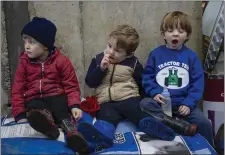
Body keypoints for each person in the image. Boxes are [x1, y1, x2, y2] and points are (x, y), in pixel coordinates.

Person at [77, 24, 177, 151]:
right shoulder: (98, 59)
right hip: (106, 101)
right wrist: (100, 69)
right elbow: (90, 82)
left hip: (129, 97)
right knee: (105, 119)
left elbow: (143, 83)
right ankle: (102, 137)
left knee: (137, 113)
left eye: (117, 51)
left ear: (129, 54)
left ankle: (156, 127)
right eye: (109, 46)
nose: (111, 52)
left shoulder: (133, 63)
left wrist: (146, 98)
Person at [11, 17, 90, 154]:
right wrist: (19, 113)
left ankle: (72, 134)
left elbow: (71, 86)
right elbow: (17, 90)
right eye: (25, 40)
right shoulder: (24, 63)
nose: (26, 46)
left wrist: (75, 105)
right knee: (34, 108)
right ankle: (48, 126)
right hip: (35, 99)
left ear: (46, 45)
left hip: (57, 97)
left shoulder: (61, 61)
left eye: (32, 42)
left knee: (61, 108)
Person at [142, 11, 214, 146]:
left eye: (181, 31)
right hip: (161, 105)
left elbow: (197, 83)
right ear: (163, 34)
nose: (175, 34)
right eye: (170, 30)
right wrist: (155, 92)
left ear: (187, 35)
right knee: (144, 104)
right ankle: (177, 125)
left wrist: (188, 103)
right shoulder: (156, 54)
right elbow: (147, 77)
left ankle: (212, 149)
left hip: (184, 105)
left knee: (204, 123)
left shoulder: (190, 56)